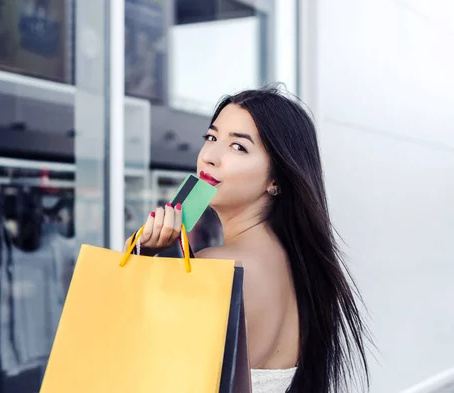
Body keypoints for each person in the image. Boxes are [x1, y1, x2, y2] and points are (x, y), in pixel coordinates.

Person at [126, 87, 370, 393]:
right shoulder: (299, 269)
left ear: (276, 180)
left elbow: (137, 364)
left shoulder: (214, 267)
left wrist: (140, 260)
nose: (210, 157)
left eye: (238, 147)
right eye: (212, 138)